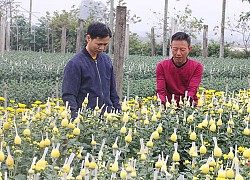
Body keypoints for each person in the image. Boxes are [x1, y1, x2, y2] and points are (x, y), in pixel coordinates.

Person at [62, 22, 121, 118]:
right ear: (88, 38)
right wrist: (74, 117)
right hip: (87, 118)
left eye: (105, 44)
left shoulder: (106, 60)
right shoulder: (75, 64)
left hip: (108, 117)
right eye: (99, 44)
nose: (102, 48)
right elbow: (69, 95)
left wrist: (118, 112)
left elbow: (112, 91)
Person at [156, 32, 203, 108]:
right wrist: (162, 104)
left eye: (182, 50)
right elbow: (161, 91)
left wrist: (186, 106)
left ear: (189, 49)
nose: (178, 53)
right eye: (175, 49)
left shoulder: (196, 67)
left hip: (189, 106)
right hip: (168, 106)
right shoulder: (162, 66)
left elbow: (192, 90)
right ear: (171, 47)